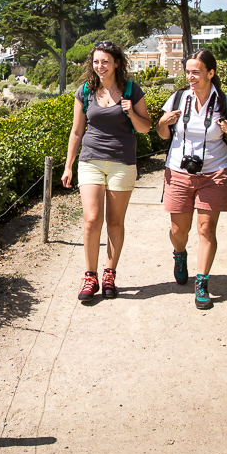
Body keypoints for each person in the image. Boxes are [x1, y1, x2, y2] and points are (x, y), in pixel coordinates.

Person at [62, 41, 152, 301]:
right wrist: (68, 165)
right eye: (96, 62)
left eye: (105, 61)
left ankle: (109, 273)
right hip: (90, 160)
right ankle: (90, 277)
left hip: (122, 162)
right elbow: (77, 131)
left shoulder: (132, 90)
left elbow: (146, 127)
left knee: (114, 222)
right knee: (91, 220)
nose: (100, 66)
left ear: (116, 64)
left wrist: (131, 112)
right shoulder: (85, 91)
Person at [155, 50, 227, 310]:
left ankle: (202, 282)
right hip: (178, 171)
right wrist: (162, 123)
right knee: (178, 231)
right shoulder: (177, 98)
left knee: (206, 229)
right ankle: (179, 255)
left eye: (195, 72)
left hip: (215, 172)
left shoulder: (226, 104)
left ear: (210, 73)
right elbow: (162, 135)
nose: (190, 77)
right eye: (188, 72)